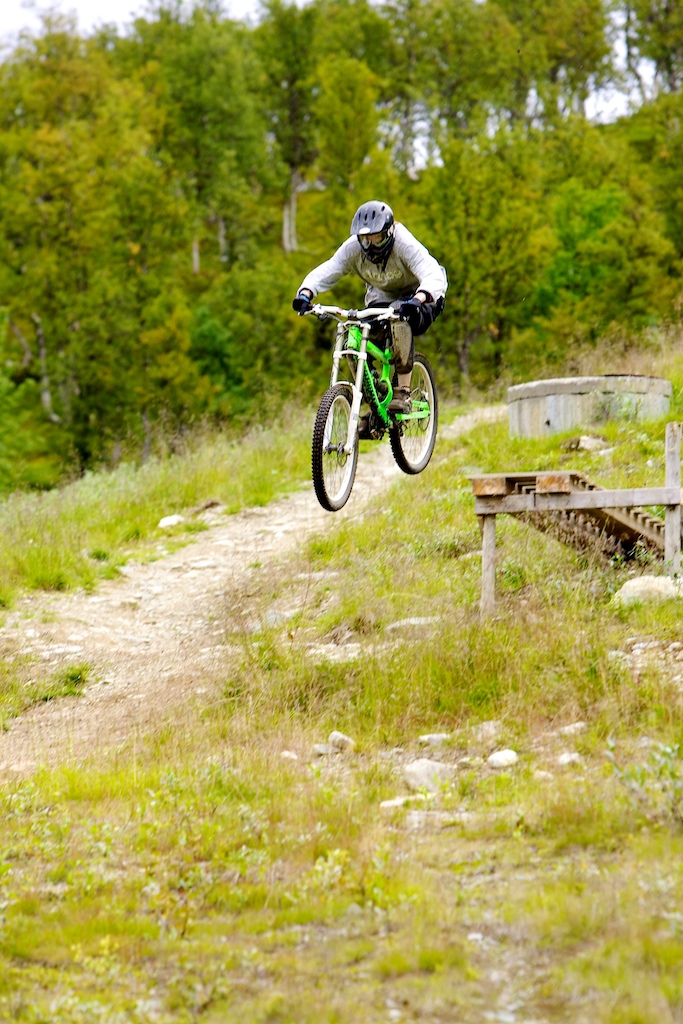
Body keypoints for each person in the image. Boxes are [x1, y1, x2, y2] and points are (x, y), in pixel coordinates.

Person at [292, 200, 447, 416]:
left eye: (377, 238)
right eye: (365, 240)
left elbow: (432, 273)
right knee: (353, 337)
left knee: (399, 320)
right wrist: (306, 292)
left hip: (423, 296)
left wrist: (419, 298)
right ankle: (375, 397)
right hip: (382, 298)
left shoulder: (404, 243)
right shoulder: (353, 249)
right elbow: (329, 269)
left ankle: (403, 391)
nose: (371, 245)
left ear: (389, 232)